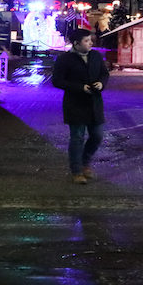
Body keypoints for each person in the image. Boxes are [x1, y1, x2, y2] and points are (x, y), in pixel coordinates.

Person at [51, 28, 109, 184]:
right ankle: (76, 171)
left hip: (94, 103)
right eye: (86, 40)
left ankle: (85, 162)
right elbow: (57, 81)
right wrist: (80, 87)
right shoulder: (65, 59)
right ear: (76, 44)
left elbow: (105, 74)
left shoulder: (95, 56)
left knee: (97, 136)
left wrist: (101, 84)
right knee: (77, 138)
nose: (90, 43)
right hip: (75, 104)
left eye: (91, 40)